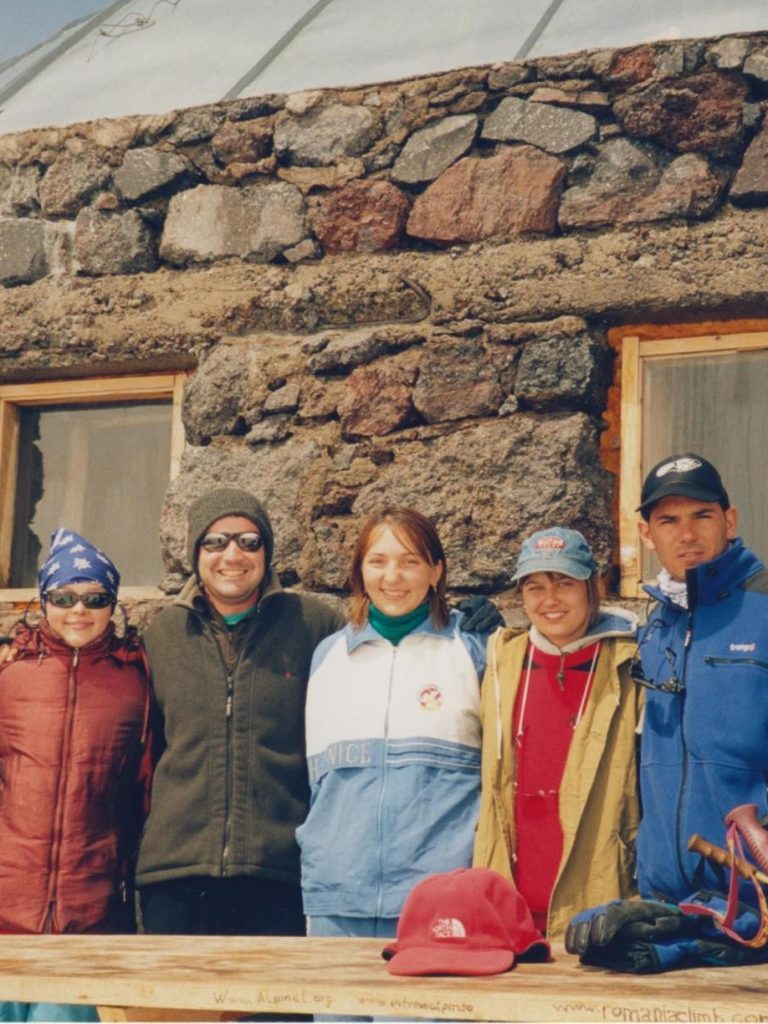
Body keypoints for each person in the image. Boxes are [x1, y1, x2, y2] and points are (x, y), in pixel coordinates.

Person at [567, 453, 768, 970]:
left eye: (702, 515)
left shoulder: (764, 609)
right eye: (669, 520)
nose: (687, 534)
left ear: (731, 519)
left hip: (754, 906)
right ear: (647, 533)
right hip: (672, 912)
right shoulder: (655, 629)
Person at [297, 507, 492, 943]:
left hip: (440, 898)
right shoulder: (328, 657)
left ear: (436, 571)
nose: (393, 577)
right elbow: (317, 786)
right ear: (360, 571)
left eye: (410, 561)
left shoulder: (473, 649)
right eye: (378, 561)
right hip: (337, 899)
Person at [0, 529, 154, 1024]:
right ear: (43, 601)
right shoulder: (10, 677)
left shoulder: (135, 683)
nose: (78, 610)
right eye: (63, 597)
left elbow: (145, 790)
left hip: (88, 917)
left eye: (96, 598)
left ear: (114, 603)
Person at [472, 526, 641, 939]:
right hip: (508, 904)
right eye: (534, 587)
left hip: (596, 900)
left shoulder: (631, 665)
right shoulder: (500, 662)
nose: (549, 600)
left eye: (564, 583)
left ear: (592, 587)